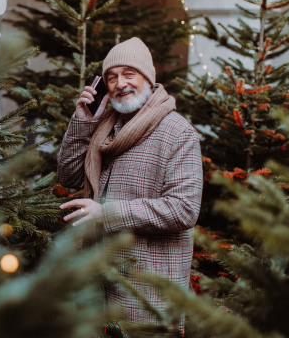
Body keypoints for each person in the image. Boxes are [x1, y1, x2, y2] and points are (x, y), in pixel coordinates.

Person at [57, 37, 203, 332]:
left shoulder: (177, 133)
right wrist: (82, 122)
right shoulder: (104, 126)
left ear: (148, 79)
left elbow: (184, 210)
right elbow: (68, 176)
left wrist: (107, 213)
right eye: (111, 77)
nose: (119, 83)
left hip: (149, 295)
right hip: (100, 291)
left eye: (129, 74)